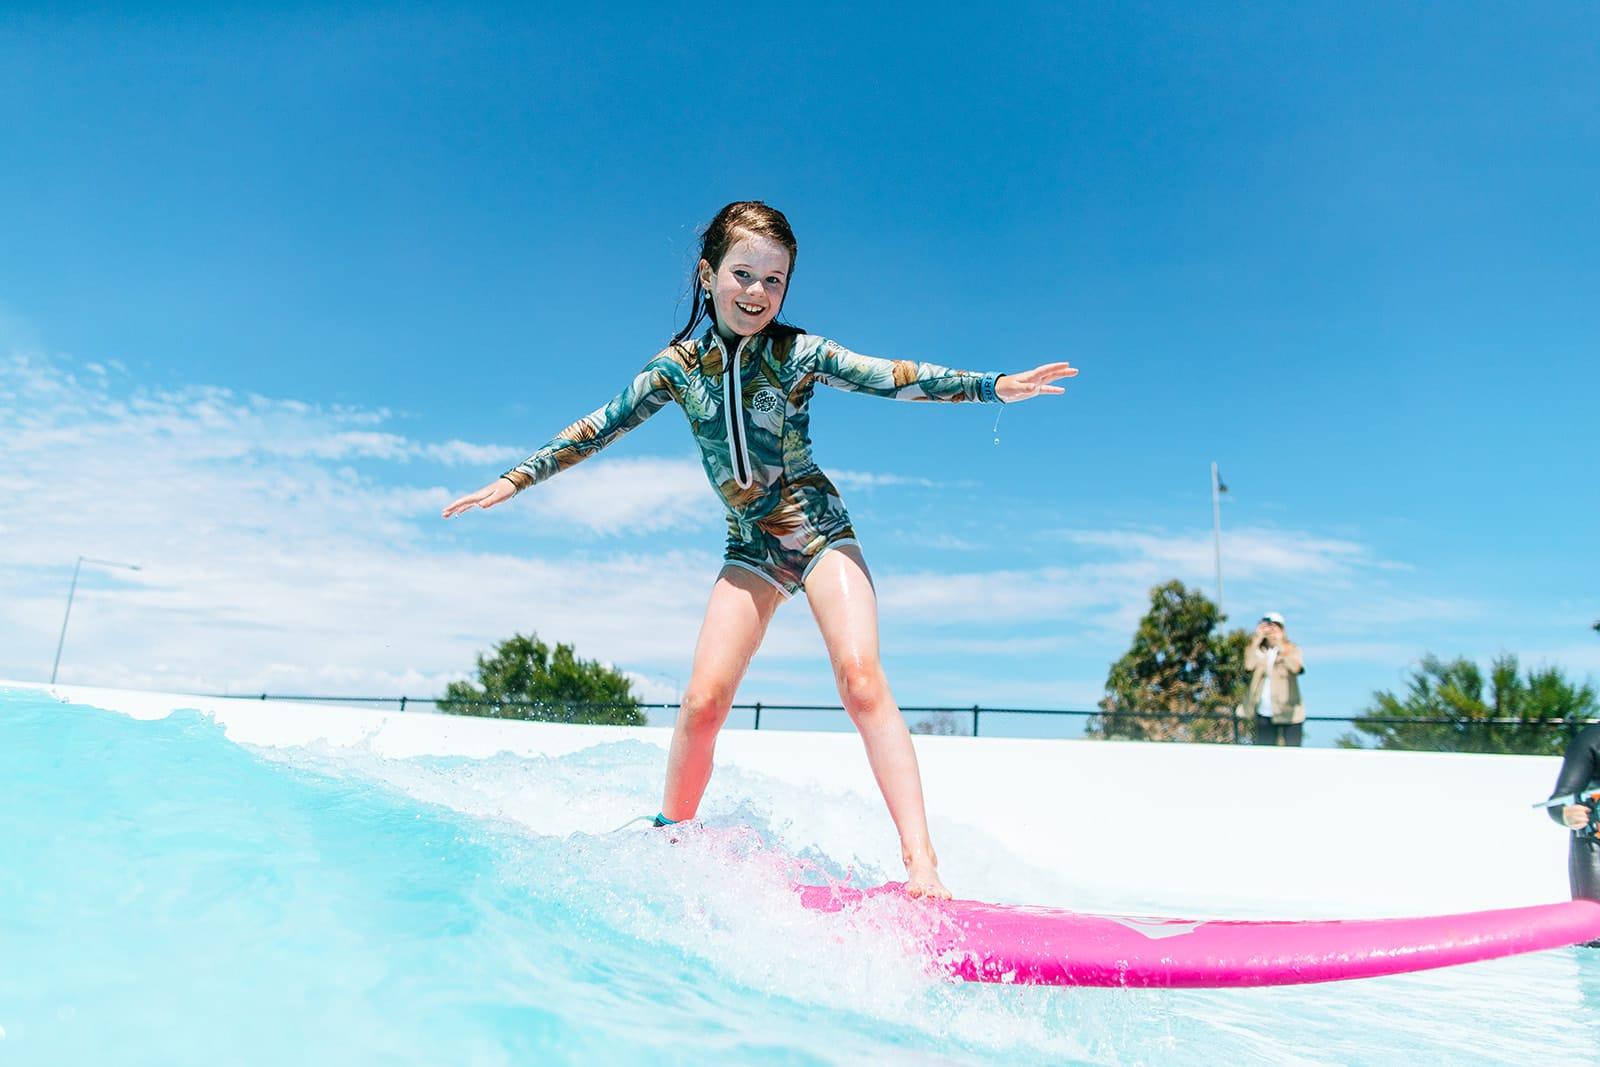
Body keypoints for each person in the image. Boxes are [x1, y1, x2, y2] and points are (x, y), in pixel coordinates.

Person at [442, 201, 1076, 898]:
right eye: (743, 274)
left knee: (861, 678)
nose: (757, 293)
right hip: (750, 547)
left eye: (774, 282)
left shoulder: (797, 353)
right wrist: (515, 478)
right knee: (704, 699)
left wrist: (993, 387)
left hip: (820, 532)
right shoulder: (677, 370)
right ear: (708, 273)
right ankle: (671, 842)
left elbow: (890, 375)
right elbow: (600, 426)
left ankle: (922, 865)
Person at [1547, 722, 1600, 906]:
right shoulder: (1592, 739)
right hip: (1595, 844)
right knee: (1595, 922)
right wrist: (1566, 814)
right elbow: (1557, 802)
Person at [1239, 611, 1306, 747]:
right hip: (1263, 712)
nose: (1270, 630)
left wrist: (1280, 645)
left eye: (1275, 626)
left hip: (1290, 713)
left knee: (1293, 754)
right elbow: (1249, 665)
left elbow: (1296, 668)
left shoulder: (1292, 649)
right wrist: (1257, 639)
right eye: (1267, 626)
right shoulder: (1257, 650)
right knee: (1265, 752)